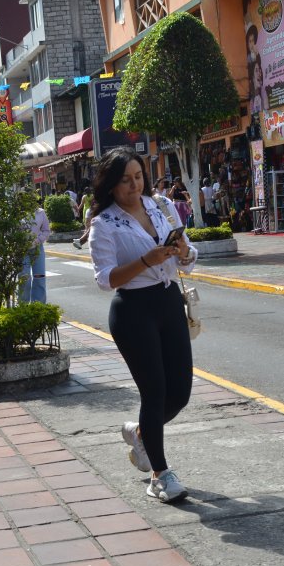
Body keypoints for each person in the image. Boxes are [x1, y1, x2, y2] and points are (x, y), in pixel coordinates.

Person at [89, 148, 197, 503]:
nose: (135, 184)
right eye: (125, 179)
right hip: (134, 311)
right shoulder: (103, 223)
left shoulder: (160, 205)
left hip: (168, 302)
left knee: (179, 392)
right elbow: (106, 279)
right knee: (154, 392)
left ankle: (140, 433)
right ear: (111, 185)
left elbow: (189, 257)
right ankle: (160, 474)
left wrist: (182, 251)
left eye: (138, 176)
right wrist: (145, 260)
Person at [20, 196, 50, 304]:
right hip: (21, 249)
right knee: (24, 279)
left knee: (39, 277)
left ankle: (38, 307)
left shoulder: (40, 212)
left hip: (37, 248)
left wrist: (37, 240)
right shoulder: (17, 213)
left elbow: (46, 230)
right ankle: (23, 306)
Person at [73, 185, 94, 249]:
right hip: (91, 210)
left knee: (87, 227)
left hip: (86, 211)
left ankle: (81, 241)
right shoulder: (92, 196)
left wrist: (78, 210)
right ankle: (81, 240)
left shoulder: (84, 196)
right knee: (89, 228)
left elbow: (82, 204)